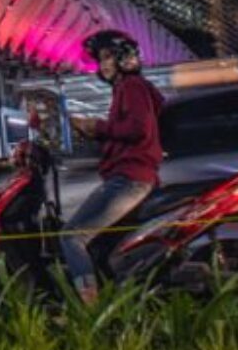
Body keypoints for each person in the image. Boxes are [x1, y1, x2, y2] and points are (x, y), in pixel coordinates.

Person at [62, 30, 164, 303]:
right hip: (131, 177)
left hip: (129, 179)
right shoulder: (130, 89)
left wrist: (98, 126)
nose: (103, 65)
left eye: (107, 57)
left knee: (72, 237)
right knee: (102, 245)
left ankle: (90, 308)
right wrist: (90, 130)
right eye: (100, 59)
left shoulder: (131, 87)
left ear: (123, 58)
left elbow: (137, 129)